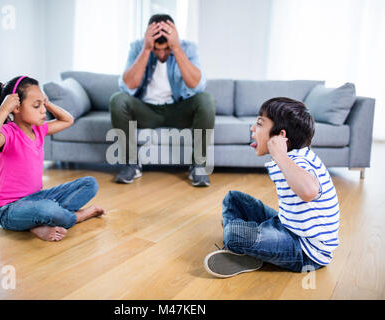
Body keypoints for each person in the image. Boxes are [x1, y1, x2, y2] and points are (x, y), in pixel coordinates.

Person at [204, 97, 340, 277]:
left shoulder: (299, 161)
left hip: (307, 251)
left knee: (234, 233)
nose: (252, 128)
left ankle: (241, 246)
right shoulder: (294, 156)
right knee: (233, 199)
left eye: (260, 124)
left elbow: (309, 191)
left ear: (280, 137)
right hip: (288, 225)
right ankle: (248, 248)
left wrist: (280, 155)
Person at [0, 76, 106, 242]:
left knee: (90, 184)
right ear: (16, 108)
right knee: (48, 208)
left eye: (42, 104)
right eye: (36, 105)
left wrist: (48, 103)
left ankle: (37, 224)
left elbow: (68, 120)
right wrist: (3, 110)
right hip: (9, 210)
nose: (43, 110)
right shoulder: (8, 132)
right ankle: (77, 217)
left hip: (37, 199)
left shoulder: (39, 130)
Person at [109, 14, 215, 187]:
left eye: (166, 49)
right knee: (118, 100)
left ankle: (198, 166)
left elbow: (197, 86)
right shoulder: (138, 47)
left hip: (178, 110)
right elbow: (127, 87)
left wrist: (177, 49)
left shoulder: (188, 48)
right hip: (146, 111)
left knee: (206, 100)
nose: (162, 54)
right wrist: (146, 50)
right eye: (157, 49)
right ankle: (132, 164)